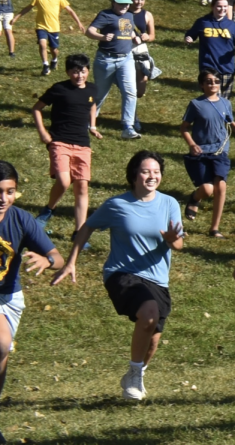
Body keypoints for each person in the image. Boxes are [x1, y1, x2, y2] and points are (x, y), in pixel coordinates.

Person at [51, 151, 184, 402]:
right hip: (122, 274)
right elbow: (87, 226)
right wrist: (71, 262)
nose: (151, 176)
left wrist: (172, 240)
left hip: (157, 280)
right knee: (149, 312)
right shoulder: (117, 205)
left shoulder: (170, 204)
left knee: (153, 340)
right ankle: (135, 373)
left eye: (156, 172)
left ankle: (135, 373)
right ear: (134, 175)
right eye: (146, 171)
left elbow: (179, 246)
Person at [0, 161, 63, 444]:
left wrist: (47, 259)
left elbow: (58, 258)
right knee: (1, 344)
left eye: (10, 191)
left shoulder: (21, 219)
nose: (3, 199)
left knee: (1, 361)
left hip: (10, 297)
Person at [31, 53, 103, 234]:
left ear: (88, 71)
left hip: (82, 144)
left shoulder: (92, 90)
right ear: (68, 72)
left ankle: (79, 231)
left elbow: (92, 105)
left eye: (83, 71)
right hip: (59, 141)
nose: (80, 76)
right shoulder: (59, 89)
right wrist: (43, 132)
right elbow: (37, 108)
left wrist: (92, 126)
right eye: (75, 72)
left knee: (82, 186)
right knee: (64, 181)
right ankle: (49, 210)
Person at [181, 68, 235, 238]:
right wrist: (192, 144)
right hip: (201, 152)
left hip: (220, 150)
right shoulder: (196, 104)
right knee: (207, 189)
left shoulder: (225, 103)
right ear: (202, 85)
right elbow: (184, 128)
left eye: (216, 81)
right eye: (208, 81)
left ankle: (214, 228)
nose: (213, 84)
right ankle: (194, 198)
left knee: (220, 185)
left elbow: (230, 122)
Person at [85, 0, 142, 138]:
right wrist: (102, 37)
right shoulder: (105, 15)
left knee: (130, 92)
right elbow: (89, 31)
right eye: (121, 3)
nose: (124, 6)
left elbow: (129, 30)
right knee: (100, 94)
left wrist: (135, 37)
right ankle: (89, 123)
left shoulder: (129, 15)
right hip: (106, 60)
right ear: (113, 3)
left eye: (126, 4)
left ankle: (128, 127)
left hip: (126, 58)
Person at [11, 0, 85, 76]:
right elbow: (27, 8)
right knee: (42, 44)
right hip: (41, 27)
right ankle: (45, 65)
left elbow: (71, 11)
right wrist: (16, 17)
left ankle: (54, 59)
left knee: (54, 49)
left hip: (54, 28)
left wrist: (79, 23)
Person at [183, 0, 235, 99]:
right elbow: (191, 34)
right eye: (219, 6)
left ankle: (223, 116)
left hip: (227, 67)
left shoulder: (231, 25)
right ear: (212, 7)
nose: (222, 9)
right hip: (208, 66)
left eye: (225, 6)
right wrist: (189, 38)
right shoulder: (203, 22)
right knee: (213, 98)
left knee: (224, 101)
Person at [128, 0, 158, 113]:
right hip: (126, 49)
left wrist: (147, 37)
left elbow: (152, 36)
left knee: (140, 90)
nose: (139, 2)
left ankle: (131, 110)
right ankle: (132, 116)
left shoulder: (147, 15)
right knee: (129, 87)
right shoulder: (123, 13)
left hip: (141, 51)